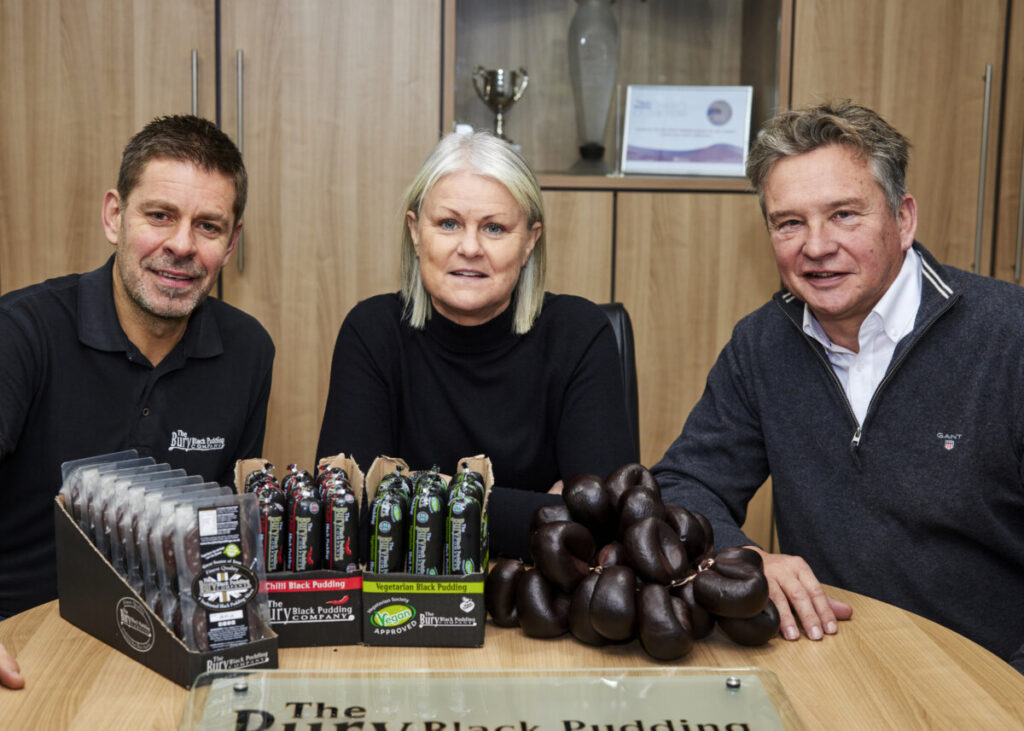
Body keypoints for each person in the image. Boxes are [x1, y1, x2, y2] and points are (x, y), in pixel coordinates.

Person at [652, 100, 1024, 674]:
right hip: (828, 665)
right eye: (790, 222)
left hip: (987, 675)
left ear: (903, 219)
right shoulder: (761, 344)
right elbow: (684, 482)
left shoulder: (1009, 336)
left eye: (845, 215)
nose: (817, 246)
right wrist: (742, 555)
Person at [0, 115, 275, 687]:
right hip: (23, 643)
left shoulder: (248, 351)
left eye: (208, 226)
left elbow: (221, 538)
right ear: (114, 216)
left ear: (231, 244)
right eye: (160, 216)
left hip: (170, 648)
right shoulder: (22, 333)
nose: (181, 245)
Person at [316, 131, 637, 559]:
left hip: (537, 610)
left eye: (494, 228)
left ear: (529, 241)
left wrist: (415, 492)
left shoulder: (580, 334)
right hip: (406, 607)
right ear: (415, 232)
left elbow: (605, 526)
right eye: (448, 224)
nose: (469, 247)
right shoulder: (371, 332)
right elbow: (347, 517)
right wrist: (547, 511)